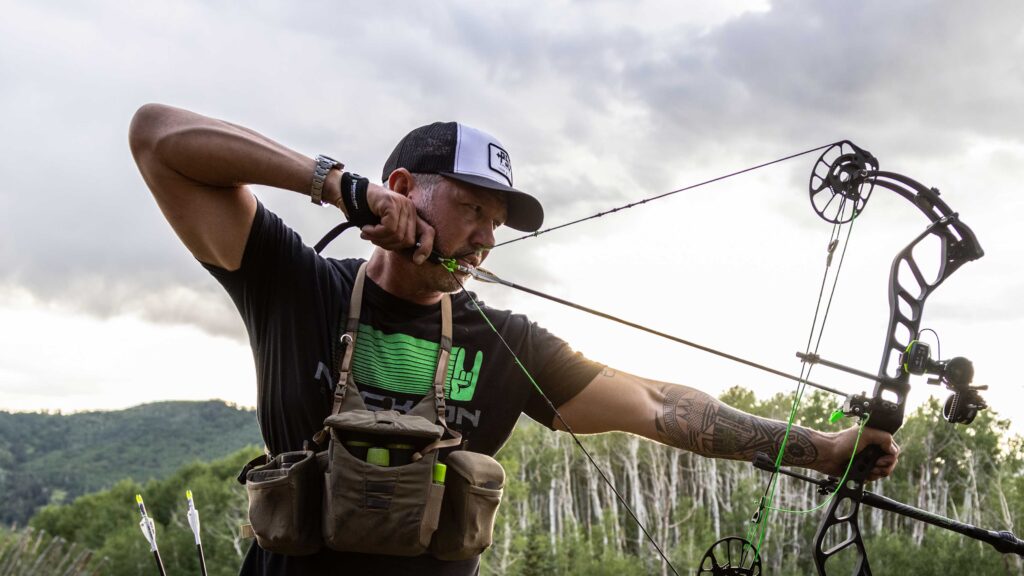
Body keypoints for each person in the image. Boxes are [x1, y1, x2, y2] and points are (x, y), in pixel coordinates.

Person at [128, 104, 899, 576]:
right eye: (470, 207)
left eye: (497, 224)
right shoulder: (299, 286)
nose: (484, 237)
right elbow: (158, 138)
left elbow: (662, 405)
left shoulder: (506, 342)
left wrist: (822, 448)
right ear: (401, 190)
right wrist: (335, 185)